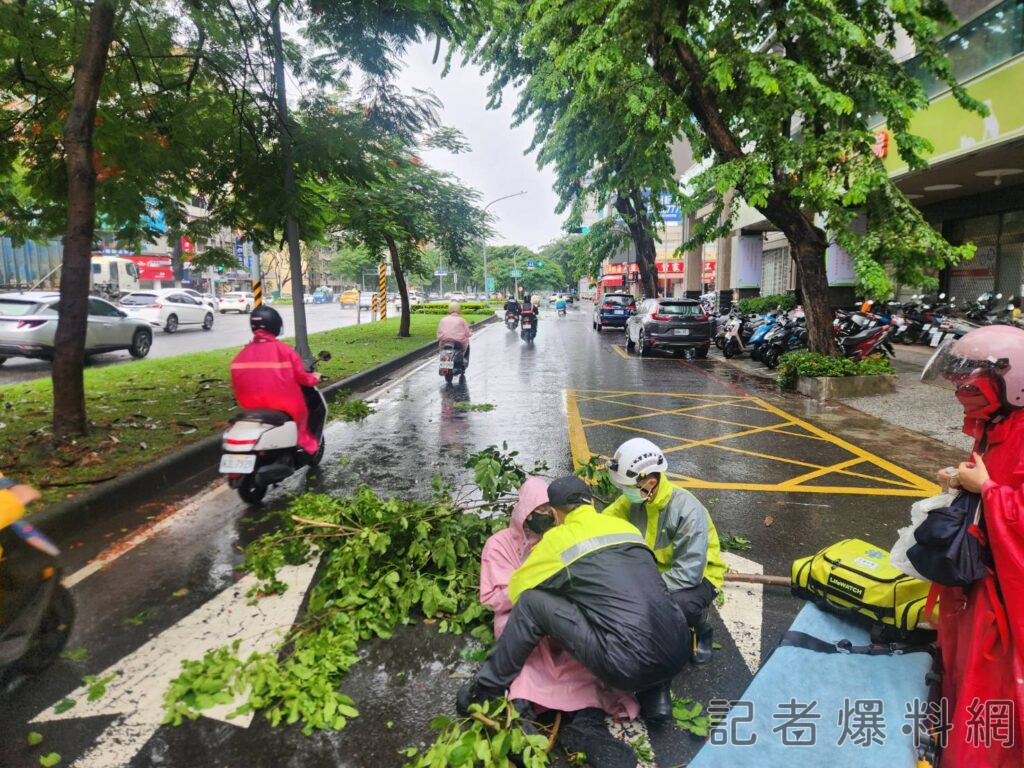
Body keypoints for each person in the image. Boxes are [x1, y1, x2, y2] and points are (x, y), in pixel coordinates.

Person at [460, 476, 690, 725]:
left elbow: (518, 592)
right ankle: (657, 697)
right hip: (679, 649)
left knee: (531, 603)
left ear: (556, 515)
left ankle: (486, 688)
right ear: (591, 502)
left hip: (624, 665)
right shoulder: (625, 528)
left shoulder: (558, 540)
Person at [480, 477, 640, 766]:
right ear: (524, 513)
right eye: (537, 511)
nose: (545, 518)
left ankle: (586, 725)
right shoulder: (500, 545)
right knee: (523, 661)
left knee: (581, 659)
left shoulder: (561, 539)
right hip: (520, 623)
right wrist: (534, 592)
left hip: (558, 619)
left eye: (548, 510)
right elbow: (495, 596)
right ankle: (521, 717)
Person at [922, 325, 1024, 768]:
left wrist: (988, 491)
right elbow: (991, 475)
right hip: (979, 582)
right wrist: (964, 479)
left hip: (1004, 594)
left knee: (991, 688)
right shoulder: (997, 423)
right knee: (963, 673)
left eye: (971, 386)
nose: (963, 394)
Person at [604, 438, 726, 664]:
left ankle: (701, 628)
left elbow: (689, 573)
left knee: (679, 606)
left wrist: (644, 592)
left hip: (698, 576)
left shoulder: (687, 510)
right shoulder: (633, 500)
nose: (624, 493)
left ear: (650, 482)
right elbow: (603, 526)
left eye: (628, 488)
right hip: (653, 573)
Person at [229, 306, 324, 456]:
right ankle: (305, 446)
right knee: (303, 414)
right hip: (285, 405)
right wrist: (315, 378)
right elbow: (302, 377)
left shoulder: (241, 355)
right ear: (276, 326)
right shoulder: (284, 351)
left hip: (251, 407)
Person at [437, 302, 472, 367]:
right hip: (458, 341)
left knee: (441, 348)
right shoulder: (461, 320)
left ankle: (443, 362)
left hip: (444, 340)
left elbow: (439, 331)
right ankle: (464, 360)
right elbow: (467, 334)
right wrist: (470, 333)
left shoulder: (443, 320)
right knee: (466, 343)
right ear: (459, 309)